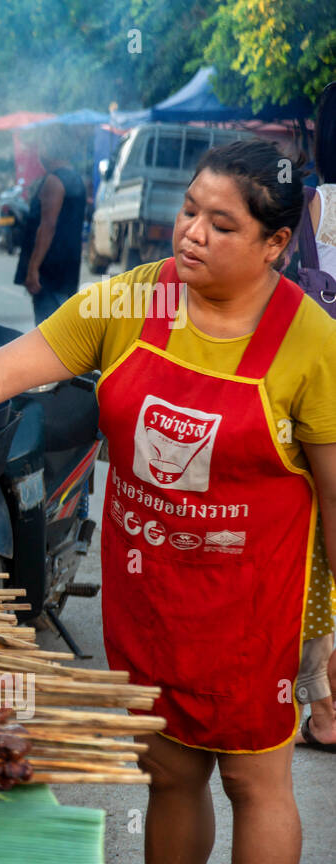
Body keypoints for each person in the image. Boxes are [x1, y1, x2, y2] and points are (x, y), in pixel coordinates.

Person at [0, 139, 336, 864]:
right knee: (168, 770)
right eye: (190, 210)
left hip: (254, 604)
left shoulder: (314, 344)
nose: (193, 232)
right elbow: (5, 368)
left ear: (275, 244)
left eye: (222, 226)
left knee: (255, 778)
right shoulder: (132, 299)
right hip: (151, 591)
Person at [295, 80, 336, 752]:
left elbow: (294, 298)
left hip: (322, 389)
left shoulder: (320, 206)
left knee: (320, 547)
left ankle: (324, 706)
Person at [16, 128, 87, 325]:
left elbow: (47, 226)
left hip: (50, 268)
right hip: (68, 265)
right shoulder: (75, 179)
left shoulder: (54, 181)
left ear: (48, 149)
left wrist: (33, 269)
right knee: (60, 325)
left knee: (47, 328)